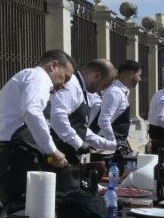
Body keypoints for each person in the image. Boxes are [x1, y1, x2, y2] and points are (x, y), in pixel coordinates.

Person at [0, 50, 75, 215]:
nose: (65, 85)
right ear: (53, 66)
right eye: (66, 77)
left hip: (10, 156)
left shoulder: (26, 78)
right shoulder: (39, 77)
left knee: (23, 214)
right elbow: (31, 111)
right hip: (15, 158)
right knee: (24, 216)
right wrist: (52, 150)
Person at [50, 58, 118, 191]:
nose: (103, 90)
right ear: (96, 75)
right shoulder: (72, 86)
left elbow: (80, 128)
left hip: (69, 158)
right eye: (104, 85)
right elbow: (57, 117)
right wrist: (78, 144)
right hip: (58, 157)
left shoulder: (82, 90)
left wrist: (111, 145)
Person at [96, 60, 142, 154]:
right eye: (139, 75)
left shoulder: (121, 92)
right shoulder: (115, 92)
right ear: (131, 73)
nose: (140, 79)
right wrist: (113, 143)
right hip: (110, 148)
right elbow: (103, 120)